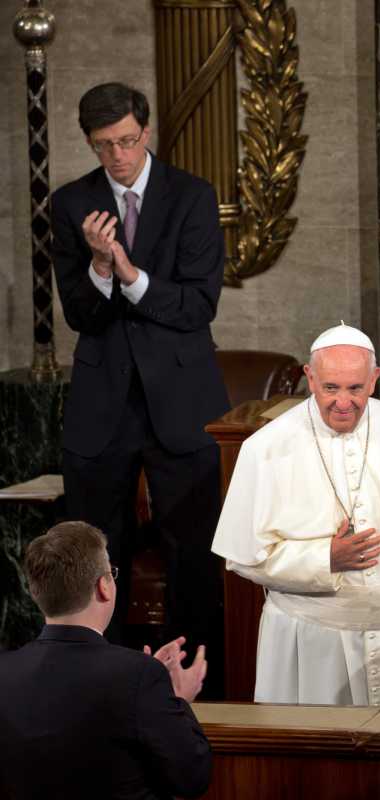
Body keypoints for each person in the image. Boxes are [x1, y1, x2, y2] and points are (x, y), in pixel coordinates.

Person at [50, 82, 229, 680]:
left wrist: (127, 272)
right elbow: (79, 314)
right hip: (103, 406)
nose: (118, 156)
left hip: (182, 400)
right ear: (91, 144)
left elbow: (197, 306)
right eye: (105, 146)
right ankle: (103, 685)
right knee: (96, 557)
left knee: (194, 555)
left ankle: (197, 684)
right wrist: (99, 267)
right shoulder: (71, 203)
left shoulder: (193, 197)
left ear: (146, 133)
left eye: (127, 141)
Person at [212, 323, 380, 705]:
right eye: (330, 388)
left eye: (355, 388)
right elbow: (242, 559)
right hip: (312, 640)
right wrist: (323, 558)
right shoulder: (265, 447)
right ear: (309, 378)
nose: (343, 402)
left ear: (375, 379)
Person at [0, 521, 211, 800]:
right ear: (104, 587)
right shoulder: (139, 676)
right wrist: (179, 699)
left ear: (36, 592)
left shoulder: (5, 671)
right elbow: (194, 778)